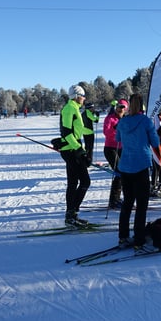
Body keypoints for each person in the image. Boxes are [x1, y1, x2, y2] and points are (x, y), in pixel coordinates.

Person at [116, 93, 160, 250]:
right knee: (141, 205)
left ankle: (123, 236)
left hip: (126, 166)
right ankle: (139, 239)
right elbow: (155, 142)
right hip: (141, 165)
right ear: (142, 105)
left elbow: (117, 139)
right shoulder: (146, 121)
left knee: (127, 203)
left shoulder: (123, 121)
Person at [59, 84, 91, 227]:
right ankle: (72, 213)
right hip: (71, 150)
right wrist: (79, 150)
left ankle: (71, 216)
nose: (84, 98)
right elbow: (67, 132)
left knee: (73, 183)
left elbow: (77, 129)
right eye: (83, 96)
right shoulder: (69, 108)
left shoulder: (74, 108)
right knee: (85, 181)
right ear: (77, 96)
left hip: (72, 148)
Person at [103, 98, 128, 209]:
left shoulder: (126, 119)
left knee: (124, 172)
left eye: (123, 107)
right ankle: (113, 200)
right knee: (119, 171)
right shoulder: (110, 118)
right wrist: (115, 128)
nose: (120, 109)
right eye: (119, 107)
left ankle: (117, 198)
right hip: (110, 148)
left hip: (122, 148)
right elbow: (106, 132)